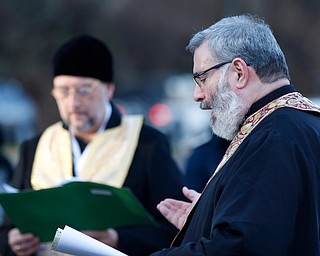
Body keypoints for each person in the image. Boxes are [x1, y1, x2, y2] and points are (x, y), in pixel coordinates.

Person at [0, 34, 185, 256]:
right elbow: (9, 228)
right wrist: (13, 242)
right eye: (63, 91)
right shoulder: (35, 146)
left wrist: (118, 239)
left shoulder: (147, 145)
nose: (73, 102)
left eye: (83, 90)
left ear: (108, 89)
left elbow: (175, 230)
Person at [151, 14, 320, 255]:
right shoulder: (300, 123)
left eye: (202, 79)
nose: (197, 95)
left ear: (239, 72)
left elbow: (242, 247)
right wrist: (208, 217)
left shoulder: (273, 137)